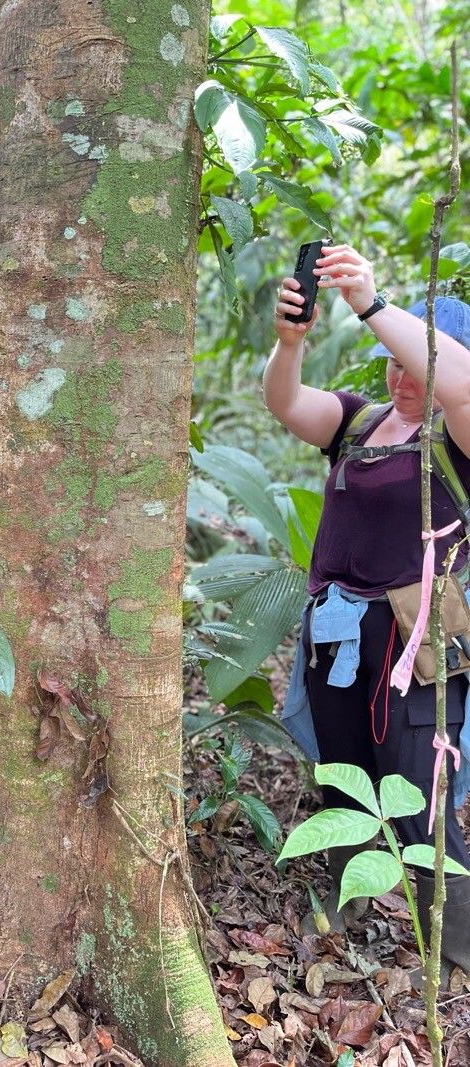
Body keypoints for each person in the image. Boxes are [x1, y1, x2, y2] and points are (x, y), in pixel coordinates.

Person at [263, 242, 470, 987]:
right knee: (345, 780)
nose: (402, 375)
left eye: (417, 361)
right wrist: (291, 344)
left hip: (412, 645)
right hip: (337, 634)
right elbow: (286, 403)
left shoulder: (457, 438)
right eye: (393, 359)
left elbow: (466, 383)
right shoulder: (359, 423)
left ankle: (459, 955)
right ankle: (352, 924)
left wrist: (373, 304)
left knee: (421, 805)